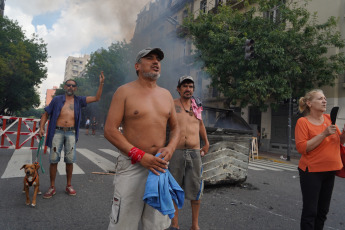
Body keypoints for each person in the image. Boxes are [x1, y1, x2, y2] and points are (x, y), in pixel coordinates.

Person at [104, 47, 180, 230]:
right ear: (137, 66)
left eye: (158, 60)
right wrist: (139, 155)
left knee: (156, 225)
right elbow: (110, 130)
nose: (156, 62)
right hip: (132, 165)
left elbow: (176, 128)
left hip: (159, 167)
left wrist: (170, 148)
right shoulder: (124, 92)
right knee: (123, 224)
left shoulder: (167, 95)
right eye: (150, 58)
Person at [39, 72, 105, 198]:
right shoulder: (57, 99)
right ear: (65, 87)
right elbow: (46, 114)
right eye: (68, 85)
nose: (70, 87)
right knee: (54, 160)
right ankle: (52, 187)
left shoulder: (79, 100)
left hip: (71, 133)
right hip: (57, 132)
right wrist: (41, 128)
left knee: (70, 161)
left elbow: (97, 98)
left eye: (73, 86)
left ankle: (69, 185)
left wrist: (101, 83)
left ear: (75, 88)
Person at [295, 89, 345, 230]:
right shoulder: (303, 122)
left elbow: (339, 141)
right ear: (309, 103)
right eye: (320, 98)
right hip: (311, 172)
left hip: (330, 170)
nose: (324, 101)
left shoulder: (330, 119)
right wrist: (324, 134)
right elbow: (302, 148)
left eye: (324, 98)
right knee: (311, 212)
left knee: (323, 212)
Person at [168, 75, 209, 230]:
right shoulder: (171, 104)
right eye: (185, 86)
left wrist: (206, 142)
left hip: (194, 152)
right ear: (178, 89)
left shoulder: (196, 106)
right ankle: (175, 224)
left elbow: (201, 125)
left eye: (191, 86)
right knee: (174, 189)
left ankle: (195, 225)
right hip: (176, 152)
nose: (188, 89)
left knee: (196, 189)